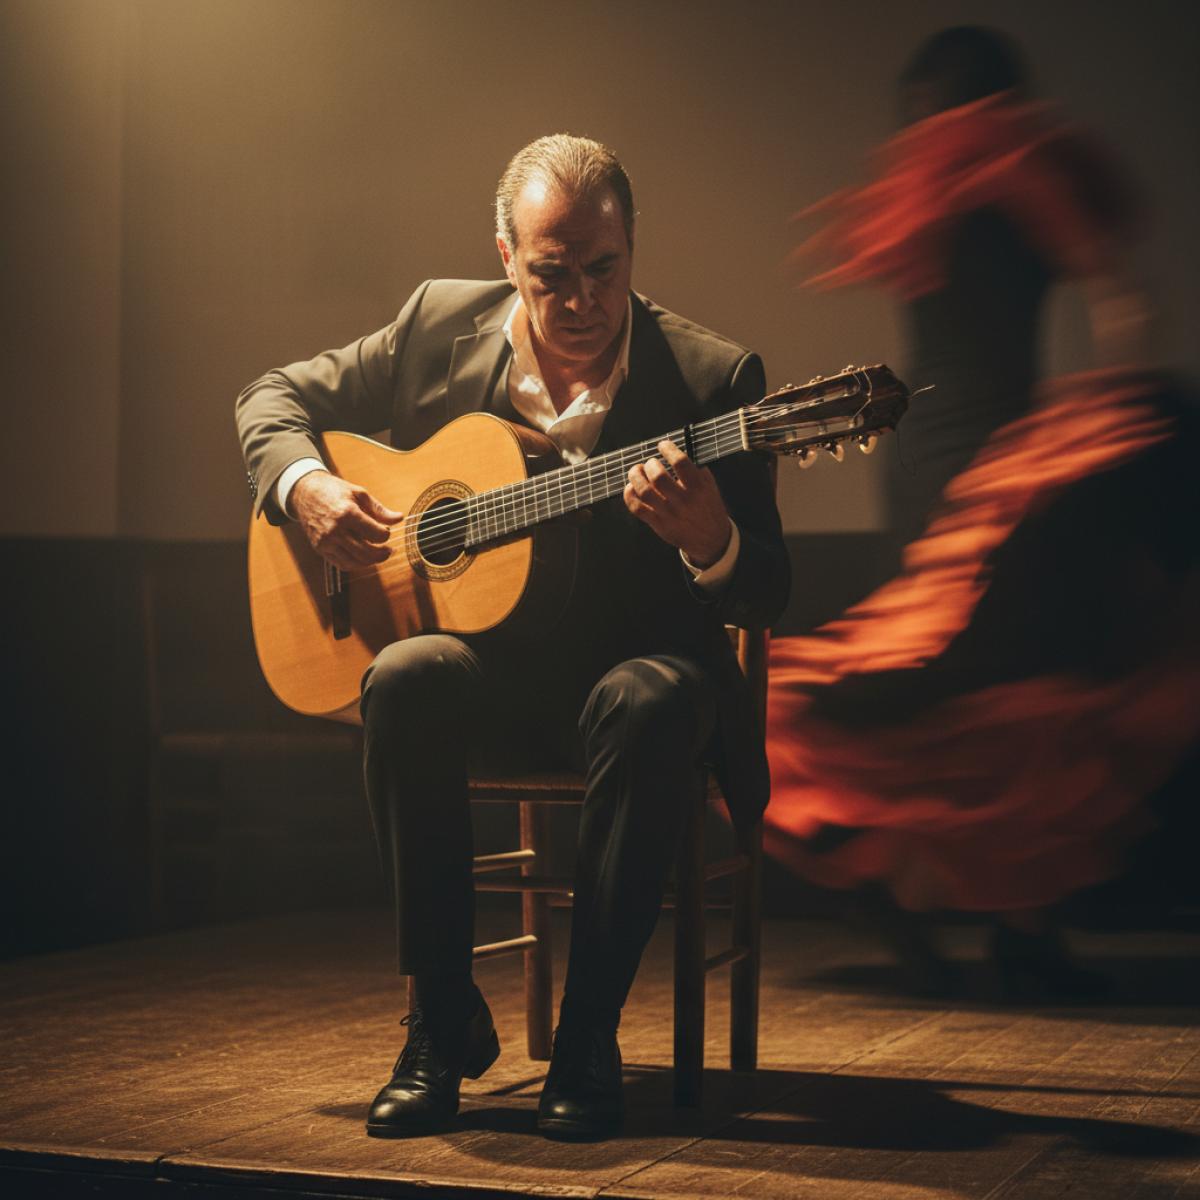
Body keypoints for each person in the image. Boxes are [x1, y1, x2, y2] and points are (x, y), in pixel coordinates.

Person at [236, 134, 789, 1139]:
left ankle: (587, 1039)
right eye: (551, 273)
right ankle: (441, 1020)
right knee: (403, 675)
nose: (581, 299)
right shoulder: (435, 324)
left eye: (604, 269)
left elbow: (768, 591)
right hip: (494, 684)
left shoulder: (715, 379)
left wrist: (713, 541)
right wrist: (305, 487)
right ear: (506, 256)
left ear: (633, 245)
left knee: (652, 696)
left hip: (632, 697)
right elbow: (269, 398)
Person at [766, 27, 1200, 999]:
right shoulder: (1016, 155)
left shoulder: (922, 177)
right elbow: (1120, 297)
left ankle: (898, 883)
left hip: (933, 452)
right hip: (998, 454)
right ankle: (1010, 930)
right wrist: (1123, 413)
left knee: (972, 685)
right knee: (1028, 687)